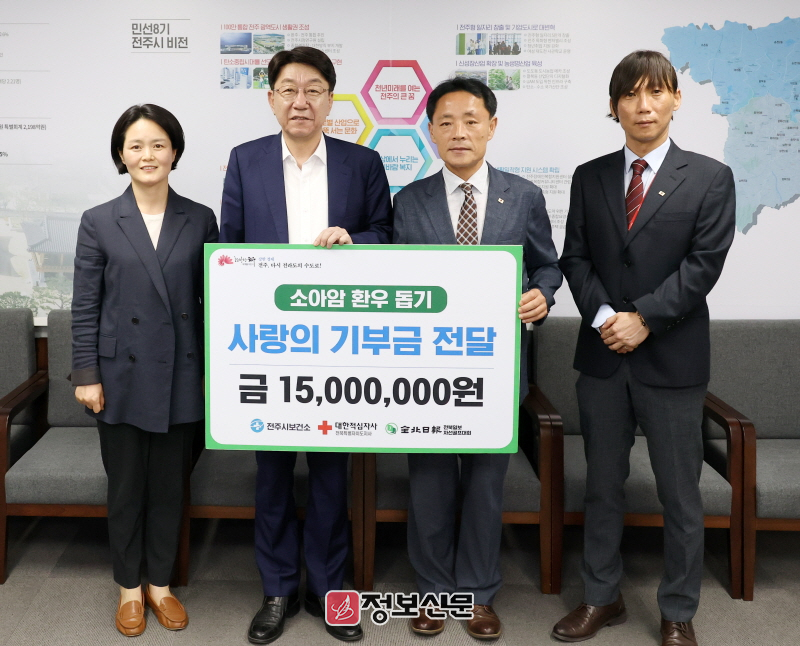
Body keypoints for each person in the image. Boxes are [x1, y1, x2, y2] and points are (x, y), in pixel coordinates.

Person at [552, 50, 735, 646]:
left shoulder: (709, 177)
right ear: (614, 106)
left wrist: (645, 320)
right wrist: (608, 317)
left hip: (672, 360)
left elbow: (703, 265)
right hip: (603, 357)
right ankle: (601, 598)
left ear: (676, 99)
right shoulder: (590, 176)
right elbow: (575, 257)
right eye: (629, 94)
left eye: (656, 92)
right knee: (602, 486)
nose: (643, 105)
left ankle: (678, 611)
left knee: (679, 493)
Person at [220, 46, 391, 644]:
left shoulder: (362, 162)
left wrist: (356, 241)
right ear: (271, 99)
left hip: (340, 345)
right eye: (289, 89)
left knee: (330, 474)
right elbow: (229, 251)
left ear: (330, 100)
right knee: (271, 473)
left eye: (314, 89)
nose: (301, 101)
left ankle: (327, 588)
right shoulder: (245, 161)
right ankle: (277, 589)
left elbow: (387, 234)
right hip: (269, 345)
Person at [393, 77, 562, 640]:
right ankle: (433, 592)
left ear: (492, 126)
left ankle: (477, 595)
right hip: (425, 372)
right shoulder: (408, 200)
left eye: (471, 120)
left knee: (487, 487)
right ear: (431, 132)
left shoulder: (524, 195)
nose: (459, 132)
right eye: (446, 122)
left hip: (496, 370)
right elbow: (392, 279)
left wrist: (541, 295)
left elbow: (547, 265)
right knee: (430, 484)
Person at [71, 104, 219, 636]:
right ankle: (128, 590)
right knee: (126, 488)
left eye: (158, 144)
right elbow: (85, 305)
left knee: (169, 488)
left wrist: (213, 373)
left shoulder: (199, 217)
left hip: (182, 372)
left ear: (175, 151)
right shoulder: (98, 220)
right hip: (119, 377)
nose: (147, 155)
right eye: (136, 146)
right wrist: (86, 373)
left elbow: (212, 301)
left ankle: (160, 585)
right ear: (121, 154)